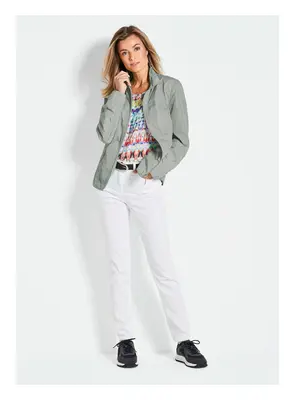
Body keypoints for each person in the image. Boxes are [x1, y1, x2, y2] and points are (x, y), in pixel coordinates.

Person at [93, 25, 208, 369]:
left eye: (136, 48)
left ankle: (183, 340)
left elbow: (181, 142)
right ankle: (124, 339)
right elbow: (104, 134)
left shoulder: (170, 88)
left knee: (162, 264)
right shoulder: (118, 91)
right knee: (119, 265)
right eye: (124, 52)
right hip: (112, 184)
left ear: (146, 49)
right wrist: (117, 94)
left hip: (144, 184)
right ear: (119, 59)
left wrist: (152, 171)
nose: (132, 57)